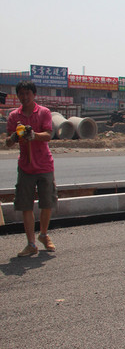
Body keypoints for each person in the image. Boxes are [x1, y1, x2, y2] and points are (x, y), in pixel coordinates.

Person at [5, 80, 57, 257]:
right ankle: (31, 244)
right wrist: (14, 137)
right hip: (25, 167)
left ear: (34, 95)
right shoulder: (14, 116)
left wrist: (34, 135)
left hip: (44, 164)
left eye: (28, 93)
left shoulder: (44, 112)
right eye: (21, 93)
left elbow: (48, 134)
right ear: (17, 96)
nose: (24, 97)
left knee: (47, 203)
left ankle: (43, 234)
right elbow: (8, 142)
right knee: (26, 206)